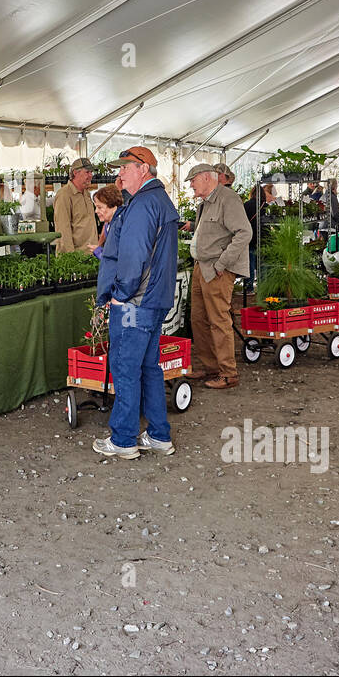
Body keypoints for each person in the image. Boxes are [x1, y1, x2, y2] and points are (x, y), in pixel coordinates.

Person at [92, 146, 179, 459]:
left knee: (126, 369)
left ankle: (124, 440)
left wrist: (119, 293)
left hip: (134, 303)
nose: (120, 173)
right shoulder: (160, 201)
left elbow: (134, 258)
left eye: (126, 167)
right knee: (148, 367)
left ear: (143, 169)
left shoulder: (142, 205)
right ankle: (158, 436)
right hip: (154, 300)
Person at [186, 163, 253, 390]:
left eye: (193, 180)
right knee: (198, 319)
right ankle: (211, 367)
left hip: (216, 270)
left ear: (206, 178)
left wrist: (222, 263)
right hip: (201, 267)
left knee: (218, 320)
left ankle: (228, 373)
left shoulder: (228, 198)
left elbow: (245, 233)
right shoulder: (205, 203)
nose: (191, 185)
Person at [53, 157, 98, 254]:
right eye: (87, 172)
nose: (91, 175)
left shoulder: (86, 193)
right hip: (77, 257)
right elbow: (63, 230)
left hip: (91, 253)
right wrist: (70, 258)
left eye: (91, 172)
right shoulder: (64, 195)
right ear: (75, 173)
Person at [244, 184, 273, 287]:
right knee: (262, 264)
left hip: (250, 238)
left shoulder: (246, 205)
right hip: (264, 238)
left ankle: (249, 286)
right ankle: (263, 286)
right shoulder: (266, 206)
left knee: (249, 264)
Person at [91, 185, 123, 259]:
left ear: (113, 207)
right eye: (96, 207)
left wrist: (99, 252)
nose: (96, 211)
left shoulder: (120, 226)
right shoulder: (109, 225)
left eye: (100, 207)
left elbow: (117, 258)